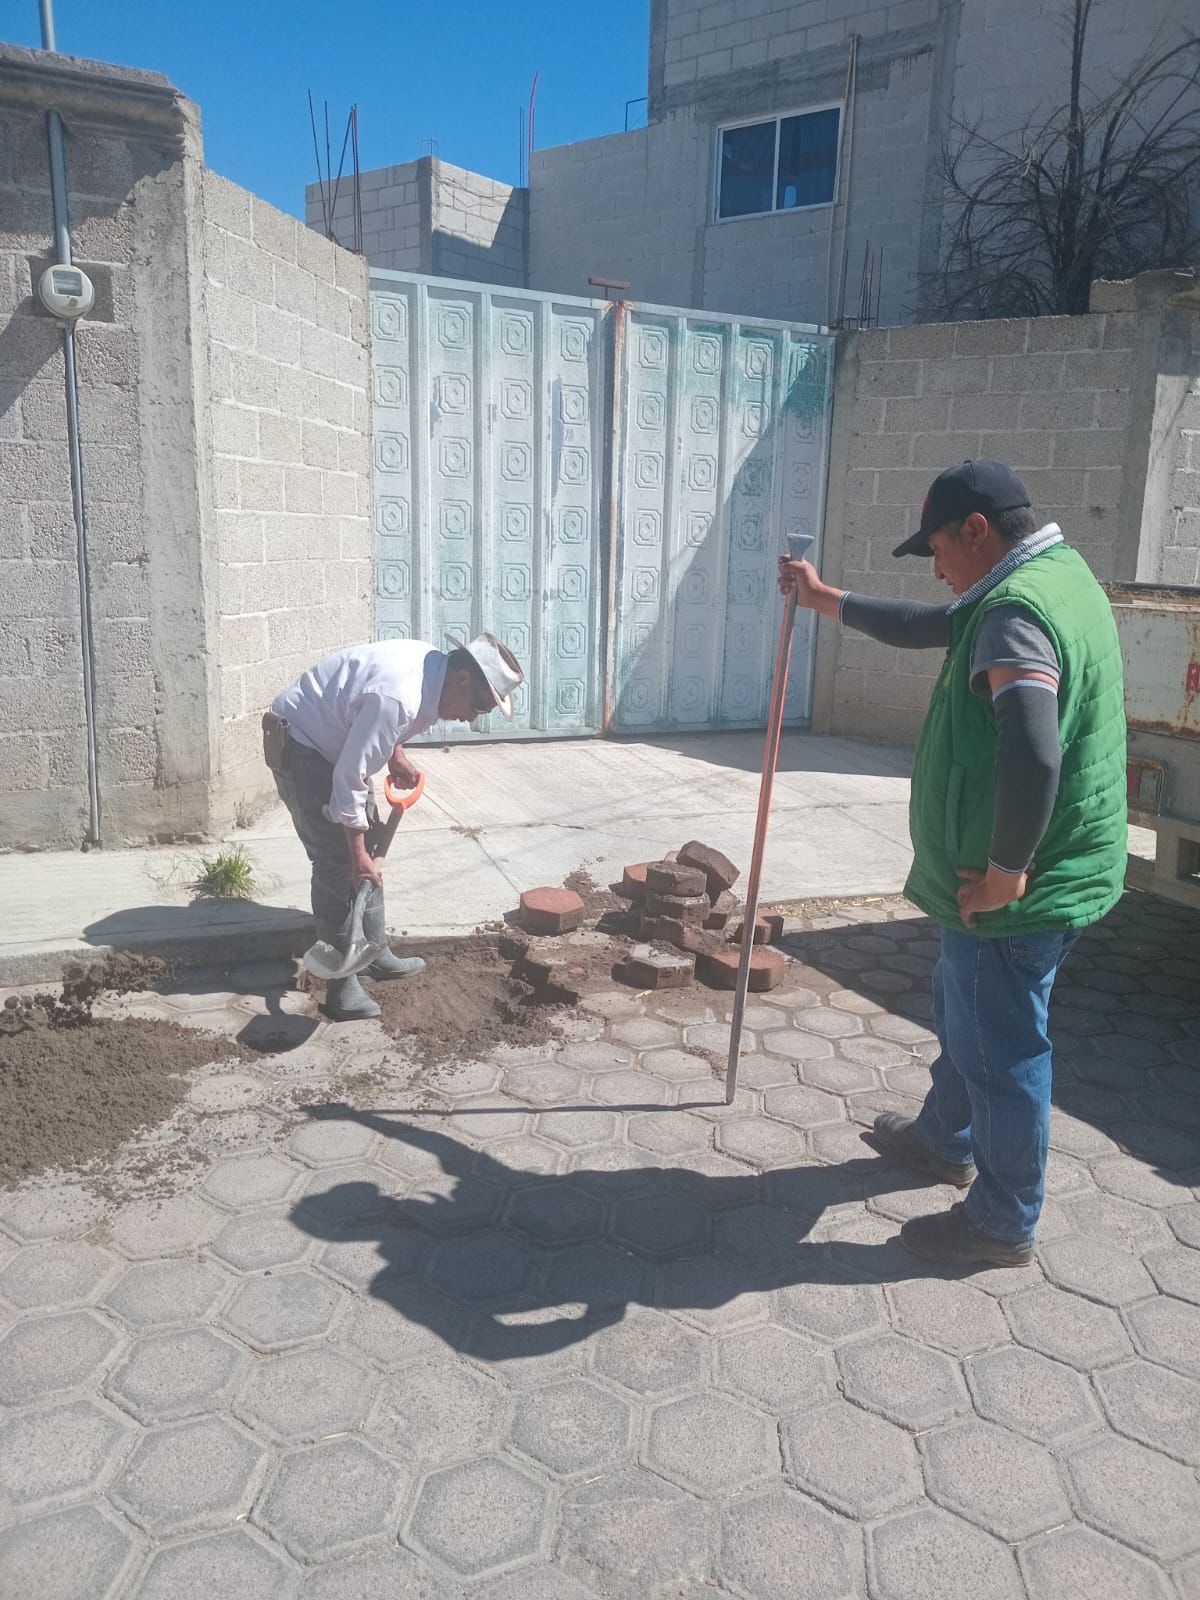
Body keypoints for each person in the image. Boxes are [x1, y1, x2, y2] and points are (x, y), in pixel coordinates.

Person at [779, 461, 1126, 1268]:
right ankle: (944, 1138)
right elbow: (930, 623)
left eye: (938, 547)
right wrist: (829, 601)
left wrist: (1008, 867)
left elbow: (1034, 753)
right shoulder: (1052, 574)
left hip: (1008, 890)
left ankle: (1001, 1223)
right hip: (1046, 868)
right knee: (967, 1011)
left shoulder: (1015, 611)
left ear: (976, 530)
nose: (936, 568)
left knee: (1000, 1048)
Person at [263, 634, 523, 1021]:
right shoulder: (400, 694)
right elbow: (349, 778)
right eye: (481, 706)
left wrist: (395, 754)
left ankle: (376, 953)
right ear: (463, 680)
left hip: (336, 743)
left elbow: (376, 721)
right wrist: (356, 856)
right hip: (302, 744)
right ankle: (342, 985)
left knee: (366, 841)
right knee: (338, 861)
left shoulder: (432, 672)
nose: (473, 718)